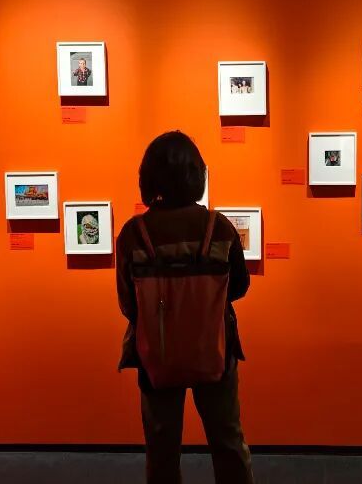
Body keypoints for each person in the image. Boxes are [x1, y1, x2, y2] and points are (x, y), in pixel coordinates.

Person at [115, 131, 254, 484]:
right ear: (197, 174)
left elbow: (128, 304)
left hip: (156, 355)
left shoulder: (134, 233)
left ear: (148, 177)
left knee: (161, 449)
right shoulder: (218, 228)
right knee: (227, 440)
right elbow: (239, 287)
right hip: (215, 350)